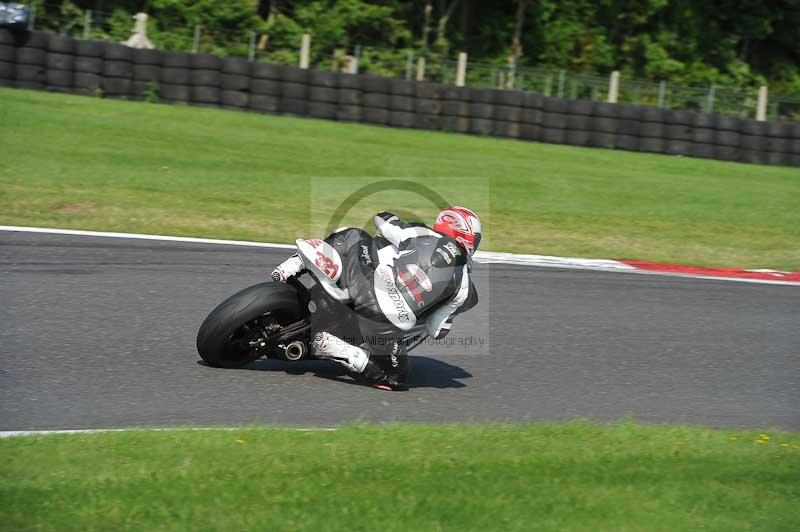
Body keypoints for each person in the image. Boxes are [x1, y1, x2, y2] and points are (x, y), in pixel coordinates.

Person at [271, 207, 481, 390]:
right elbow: (436, 330)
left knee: (353, 234)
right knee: (396, 376)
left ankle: (295, 263)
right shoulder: (464, 287)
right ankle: (342, 350)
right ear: (470, 239)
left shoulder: (421, 232)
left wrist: (391, 218)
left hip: (363, 287)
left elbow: (382, 221)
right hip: (383, 324)